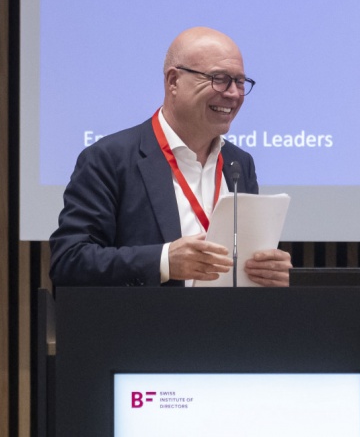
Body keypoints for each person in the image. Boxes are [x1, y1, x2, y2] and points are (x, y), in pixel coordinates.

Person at [49, 27, 292, 287]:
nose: (233, 93)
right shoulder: (109, 159)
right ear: (174, 81)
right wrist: (163, 261)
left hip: (227, 314)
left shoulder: (239, 164)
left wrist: (269, 273)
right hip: (148, 314)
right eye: (219, 79)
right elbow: (70, 260)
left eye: (240, 82)